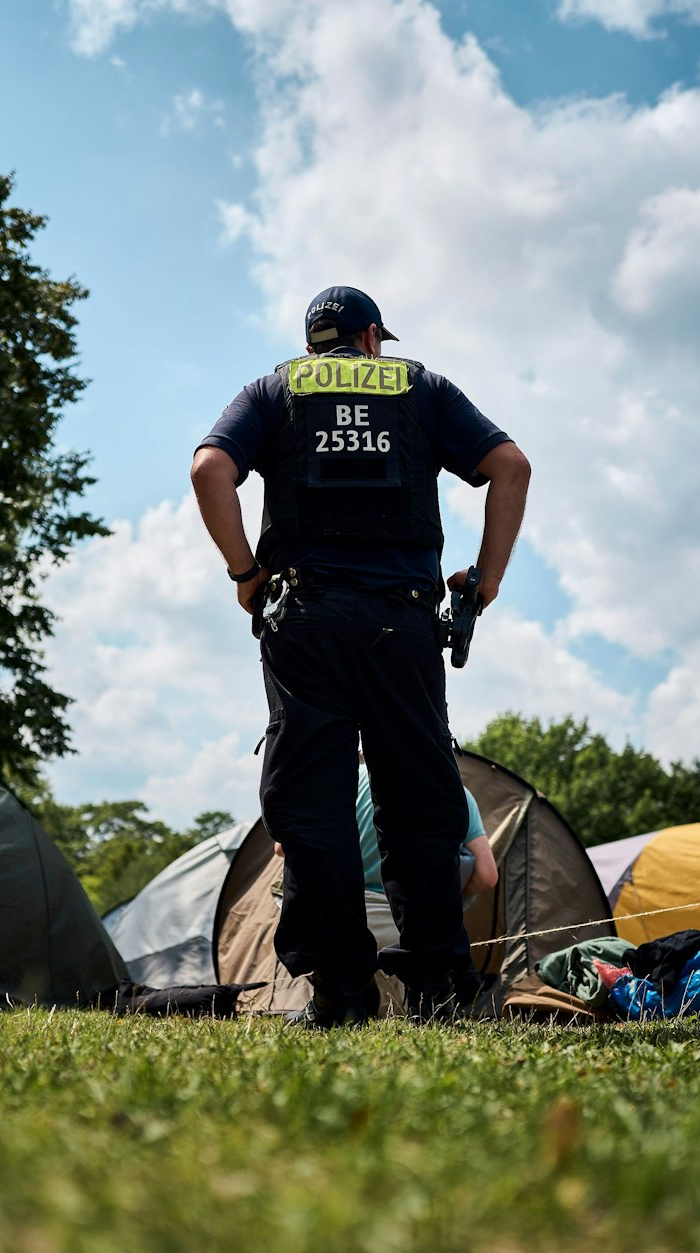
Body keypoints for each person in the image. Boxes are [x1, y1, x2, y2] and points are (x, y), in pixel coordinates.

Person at [190, 285, 530, 1026]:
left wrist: (246, 574)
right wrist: (485, 580)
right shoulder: (424, 386)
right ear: (373, 337)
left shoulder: (275, 388)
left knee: (312, 806)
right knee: (418, 802)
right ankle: (439, 988)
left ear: (316, 342)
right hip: (401, 625)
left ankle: (340, 993)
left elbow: (209, 469)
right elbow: (511, 466)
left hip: (303, 620)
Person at [275, 761, 500, 900]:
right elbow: (487, 876)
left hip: (334, 917)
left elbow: (282, 848)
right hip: (408, 925)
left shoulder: (332, 783)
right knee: (464, 861)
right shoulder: (456, 793)